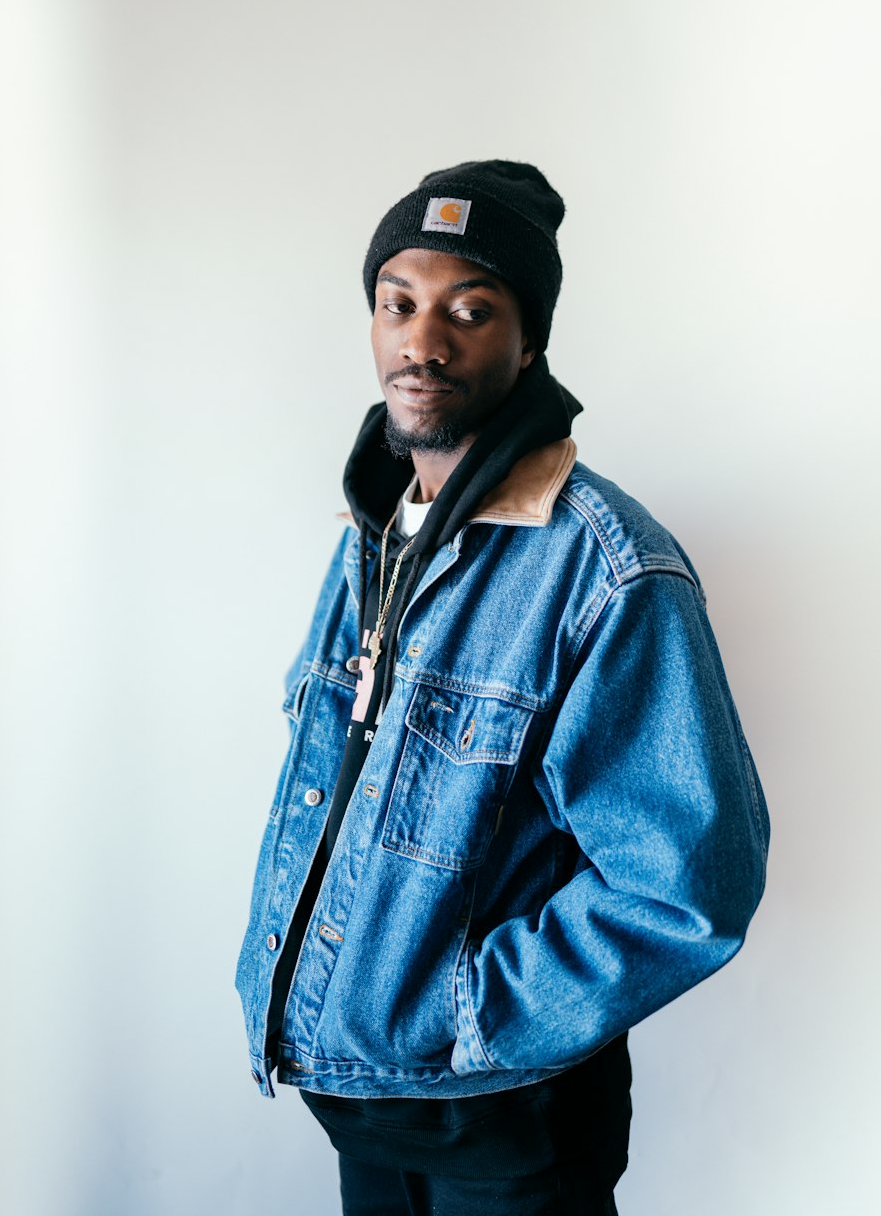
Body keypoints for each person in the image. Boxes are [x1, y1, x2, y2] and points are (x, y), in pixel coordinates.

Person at [235, 159, 770, 1215]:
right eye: (399, 303)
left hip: (508, 1125)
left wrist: (466, 1012)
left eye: (470, 310)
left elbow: (686, 883)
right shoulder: (377, 537)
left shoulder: (606, 569)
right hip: (364, 1098)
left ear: (529, 342)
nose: (421, 340)